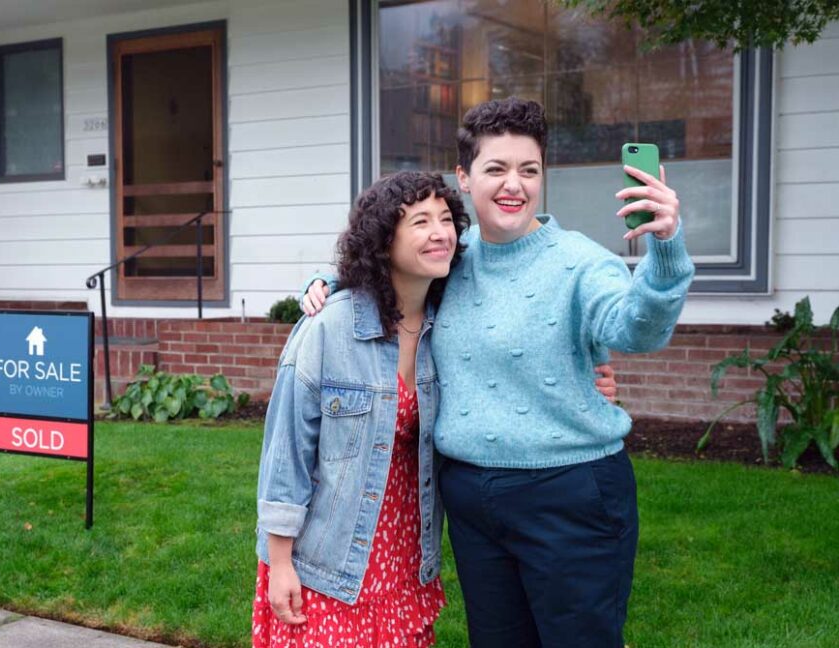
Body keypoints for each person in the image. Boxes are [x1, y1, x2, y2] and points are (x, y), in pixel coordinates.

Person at [302, 97, 695, 647]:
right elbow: (391, 261)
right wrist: (330, 280)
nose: (514, 184)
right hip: (471, 500)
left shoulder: (580, 262)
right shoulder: (451, 257)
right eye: (496, 168)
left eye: (529, 170)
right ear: (463, 178)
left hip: (569, 494)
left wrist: (666, 248)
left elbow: (637, 330)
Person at [253, 171, 466, 647]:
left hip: (406, 558)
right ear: (382, 239)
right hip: (327, 563)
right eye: (420, 221)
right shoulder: (329, 328)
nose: (440, 232)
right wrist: (280, 562)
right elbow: (286, 453)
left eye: (447, 219)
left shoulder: (449, 328)